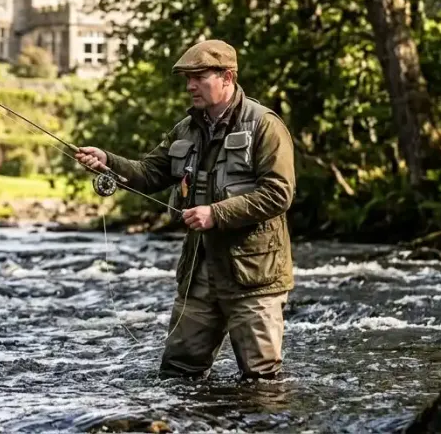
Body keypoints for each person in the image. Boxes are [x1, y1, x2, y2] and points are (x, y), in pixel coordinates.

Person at [74, 39, 296, 380]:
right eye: (187, 78)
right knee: (178, 374)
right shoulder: (186, 128)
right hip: (199, 273)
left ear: (227, 77)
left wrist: (216, 213)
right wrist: (108, 162)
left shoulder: (265, 125)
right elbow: (149, 173)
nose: (190, 85)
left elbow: (278, 193)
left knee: (261, 379)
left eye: (198, 76)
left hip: (254, 276)